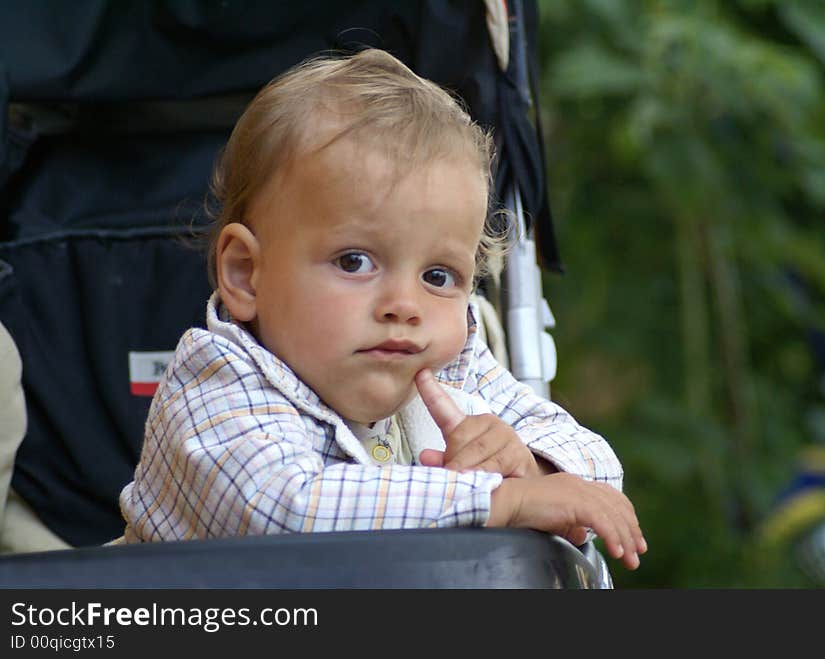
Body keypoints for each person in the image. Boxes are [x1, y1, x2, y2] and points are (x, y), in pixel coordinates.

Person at [118, 48, 647, 570]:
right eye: (354, 262)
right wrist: (498, 502)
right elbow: (285, 512)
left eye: (438, 277)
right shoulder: (217, 380)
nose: (404, 306)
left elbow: (596, 472)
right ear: (245, 274)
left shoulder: (449, 366)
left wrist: (530, 470)